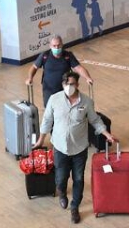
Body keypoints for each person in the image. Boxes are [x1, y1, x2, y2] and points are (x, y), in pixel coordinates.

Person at [34, 71, 116, 224]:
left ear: (78, 85)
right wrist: (40, 141)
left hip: (79, 149)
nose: (69, 87)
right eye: (66, 84)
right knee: (61, 177)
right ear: (62, 84)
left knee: (78, 178)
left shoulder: (86, 102)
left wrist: (107, 134)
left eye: (72, 84)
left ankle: (75, 207)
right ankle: (63, 193)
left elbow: (95, 120)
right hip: (59, 148)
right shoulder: (54, 100)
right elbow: (47, 121)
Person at [25, 35, 94, 107]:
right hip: (49, 90)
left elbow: (79, 68)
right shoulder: (44, 56)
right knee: (49, 109)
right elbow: (34, 67)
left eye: (58, 45)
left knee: (66, 108)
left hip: (65, 89)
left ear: (62, 44)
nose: (56, 48)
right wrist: (30, 78)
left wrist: (87, 77)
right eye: (54, 46)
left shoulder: (68, 56)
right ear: (50, 46)